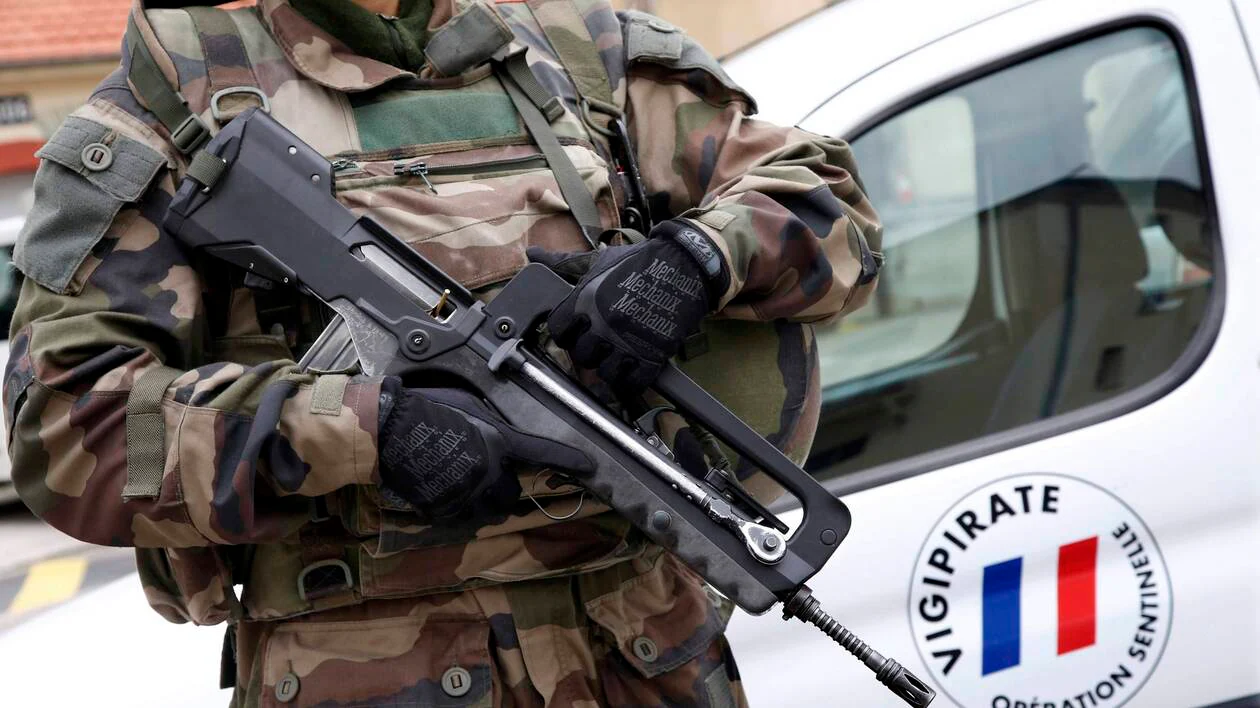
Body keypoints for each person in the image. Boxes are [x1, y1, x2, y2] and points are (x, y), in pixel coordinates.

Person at [3, 0, 881, 705]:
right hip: (365, 665)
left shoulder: (581, 48)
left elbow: (831, 200)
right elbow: (66, 432)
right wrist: (362, 431)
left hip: (642, 652)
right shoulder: (176, 93)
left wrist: (696, 259)